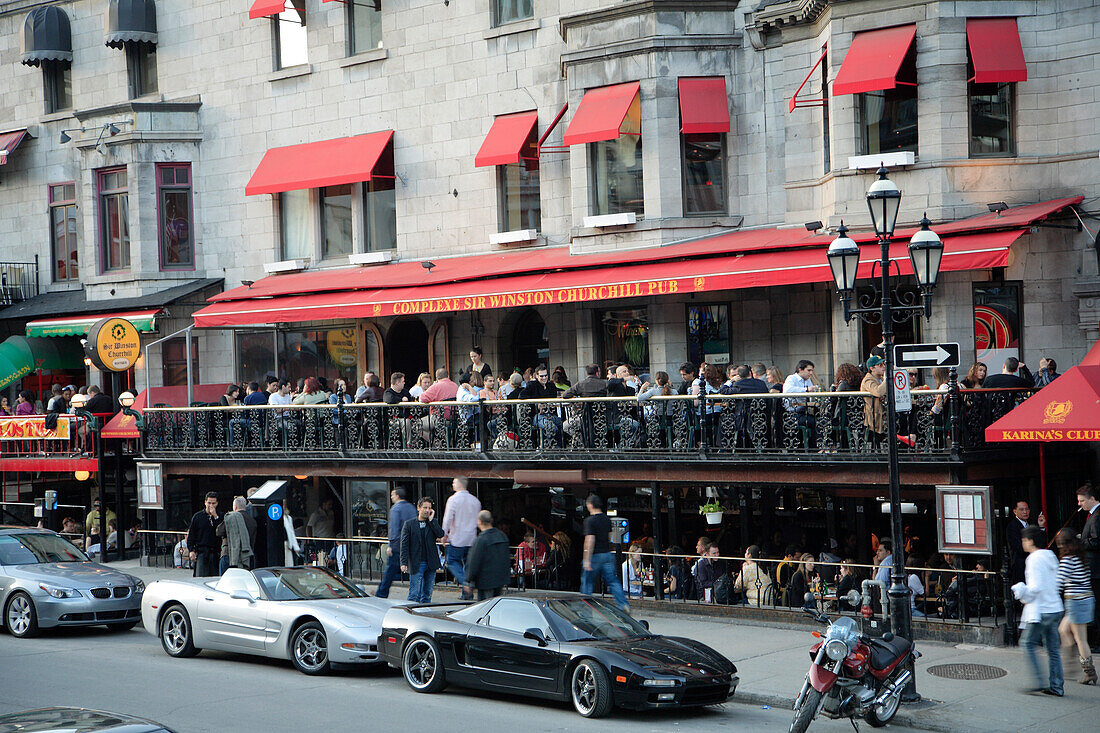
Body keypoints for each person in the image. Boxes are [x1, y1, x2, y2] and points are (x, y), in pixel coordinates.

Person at [1012, 525, 1064, 696]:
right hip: (1055, 607)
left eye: (1024, 540)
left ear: (1031, 541)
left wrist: (1020, 591)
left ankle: (1038, 680)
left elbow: (1034, 588)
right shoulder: (1051, 556)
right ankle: (1057, 686)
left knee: (1027, 643)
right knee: (1053, 649)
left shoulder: (1033, 559)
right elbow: (1057, 582)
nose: (1023, 543)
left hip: (1041, 609)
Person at [1056, 527, 1096, 684]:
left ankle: (1089, 672)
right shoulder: (1081, 557)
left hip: (1076, 601)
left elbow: (1059, 581)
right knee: (1063, 630)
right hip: (1084, 599)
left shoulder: (1068, 560)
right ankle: (1072, 657)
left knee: (1081, 639)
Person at [580, 494, 630, 612]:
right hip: (607, 554)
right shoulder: (607, 519)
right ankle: (623, 604)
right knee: (612, 581)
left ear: (590, 505)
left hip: (595, 555)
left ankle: (586, 611)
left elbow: (590, 540)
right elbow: (610, 536)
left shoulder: (590, 521)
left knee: (587, 583)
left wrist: (587, 559)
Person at [442, 476, 481, 600]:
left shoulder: (453, 500)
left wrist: (444, 534)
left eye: (454, 482)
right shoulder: (475, 501)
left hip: (457, 537)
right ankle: (467, 594)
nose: (452, 484)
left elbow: (448, 519)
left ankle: (465, 583)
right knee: (467, 564)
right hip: (471, 538)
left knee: (451, 561)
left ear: (458, 484)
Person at [400, 496, 444, 603]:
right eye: (425, 508)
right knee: (414, 593)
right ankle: (409, 615)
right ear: (418, 508)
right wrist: (403, 562)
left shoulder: (433, 522)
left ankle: (424, 614)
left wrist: (432, 520)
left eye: (429, 508)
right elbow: (404, 544)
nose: (427, 510)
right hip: (417, 562)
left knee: (427, 594)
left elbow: (440, 534)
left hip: (431, 563)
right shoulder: (409, 524)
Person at [376, 487, 417, 598]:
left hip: (398, 545)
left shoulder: (395, 509)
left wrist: (390, 545)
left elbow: (394, 528)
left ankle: (382, 592)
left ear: (397, 496)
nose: (391, 497)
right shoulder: (411, 508)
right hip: (411, 543)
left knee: (391, 570)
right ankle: (415, 593)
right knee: (413, 570)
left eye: (392, 495)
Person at [463, 510, 510, 600]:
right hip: (500, 579)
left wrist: (468, 580)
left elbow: (474, 561)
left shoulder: (481, 539)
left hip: (485, 581)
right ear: (491, 520)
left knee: (485, 607)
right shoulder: (502, 536)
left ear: (479, 521)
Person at [1077, 483, 1100, 649]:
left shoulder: (1097, 516)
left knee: (1098, 606)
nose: (1080, 504)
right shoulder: (1093, 515)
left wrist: (1080, 542)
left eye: (1082, 500)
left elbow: (1097, 540)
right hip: (1094, 569)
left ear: (1092, 499)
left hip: (1096, 570)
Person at [1007, 500, 1047, 585]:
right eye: (1021, 509)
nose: (1025, 512)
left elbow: (1041, 544)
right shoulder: (1012, 526)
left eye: (1027, 509)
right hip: (1020, 566)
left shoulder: (1030, 524)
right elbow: (1018, 547)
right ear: (1015, 511)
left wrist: (1041, 526)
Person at [186, 492, 222, 577]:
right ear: (205, 502)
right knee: (200, 577)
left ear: (217, 503)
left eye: (213, 503)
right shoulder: (198, 517)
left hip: (215, 552)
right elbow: (191, 535)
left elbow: (221, 532)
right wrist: (191, 550)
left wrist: (215, 516)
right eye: (209, 503)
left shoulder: (220, 516)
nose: (211, 505)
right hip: (202, 552)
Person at [861, 356, 889, 445]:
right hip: (874, 420)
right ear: (872, 368)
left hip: (884, 416)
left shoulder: (880, 379)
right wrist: (887, 379)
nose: (883, 367)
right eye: (880, 365)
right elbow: (878, 392)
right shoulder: (868, 380)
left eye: (884, 364)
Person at [224, 496, 255, 570]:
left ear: (235, 507)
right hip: (247, 556)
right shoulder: (252, 521)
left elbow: (219, 532)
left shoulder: (231, 518)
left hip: (232, 555)